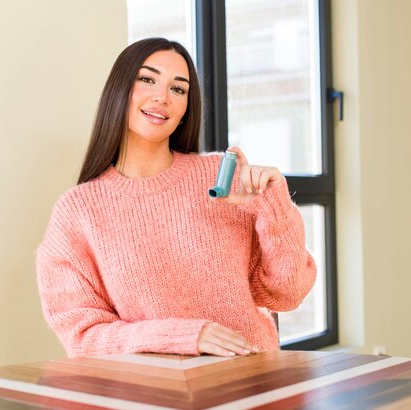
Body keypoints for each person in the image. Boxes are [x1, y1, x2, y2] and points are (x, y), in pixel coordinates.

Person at [36, 37, 316, 358]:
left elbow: (287, 295)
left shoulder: (222, 179)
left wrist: (274, 206)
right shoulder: (78, 210)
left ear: (185, 109)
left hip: (250, 380)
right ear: (119, 90)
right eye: (147, 79)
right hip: (154, 393)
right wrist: (185, 336)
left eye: (178, 89)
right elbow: (82, 335)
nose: (162, 97)